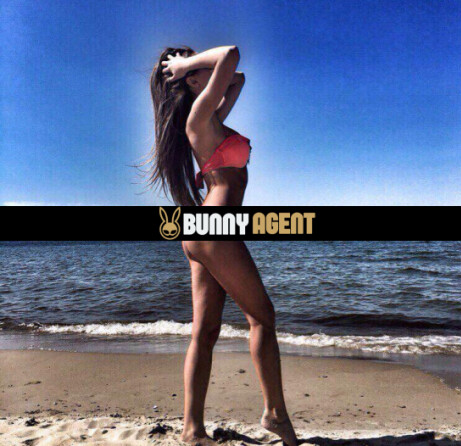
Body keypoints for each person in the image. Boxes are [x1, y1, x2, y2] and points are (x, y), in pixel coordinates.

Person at [147, 45, 298, 446]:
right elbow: (231, 54)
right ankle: (274, 413)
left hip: (204, 229)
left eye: (198, 59)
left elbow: (238, 77)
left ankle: (192, 430)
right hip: (215, 228)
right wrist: (187, 66)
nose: (201, 63)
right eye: (192, 62)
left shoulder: (210, 117)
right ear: (187, 79)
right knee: (263, 317)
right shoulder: (198, 116)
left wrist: (194, 70)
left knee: (205, 332)